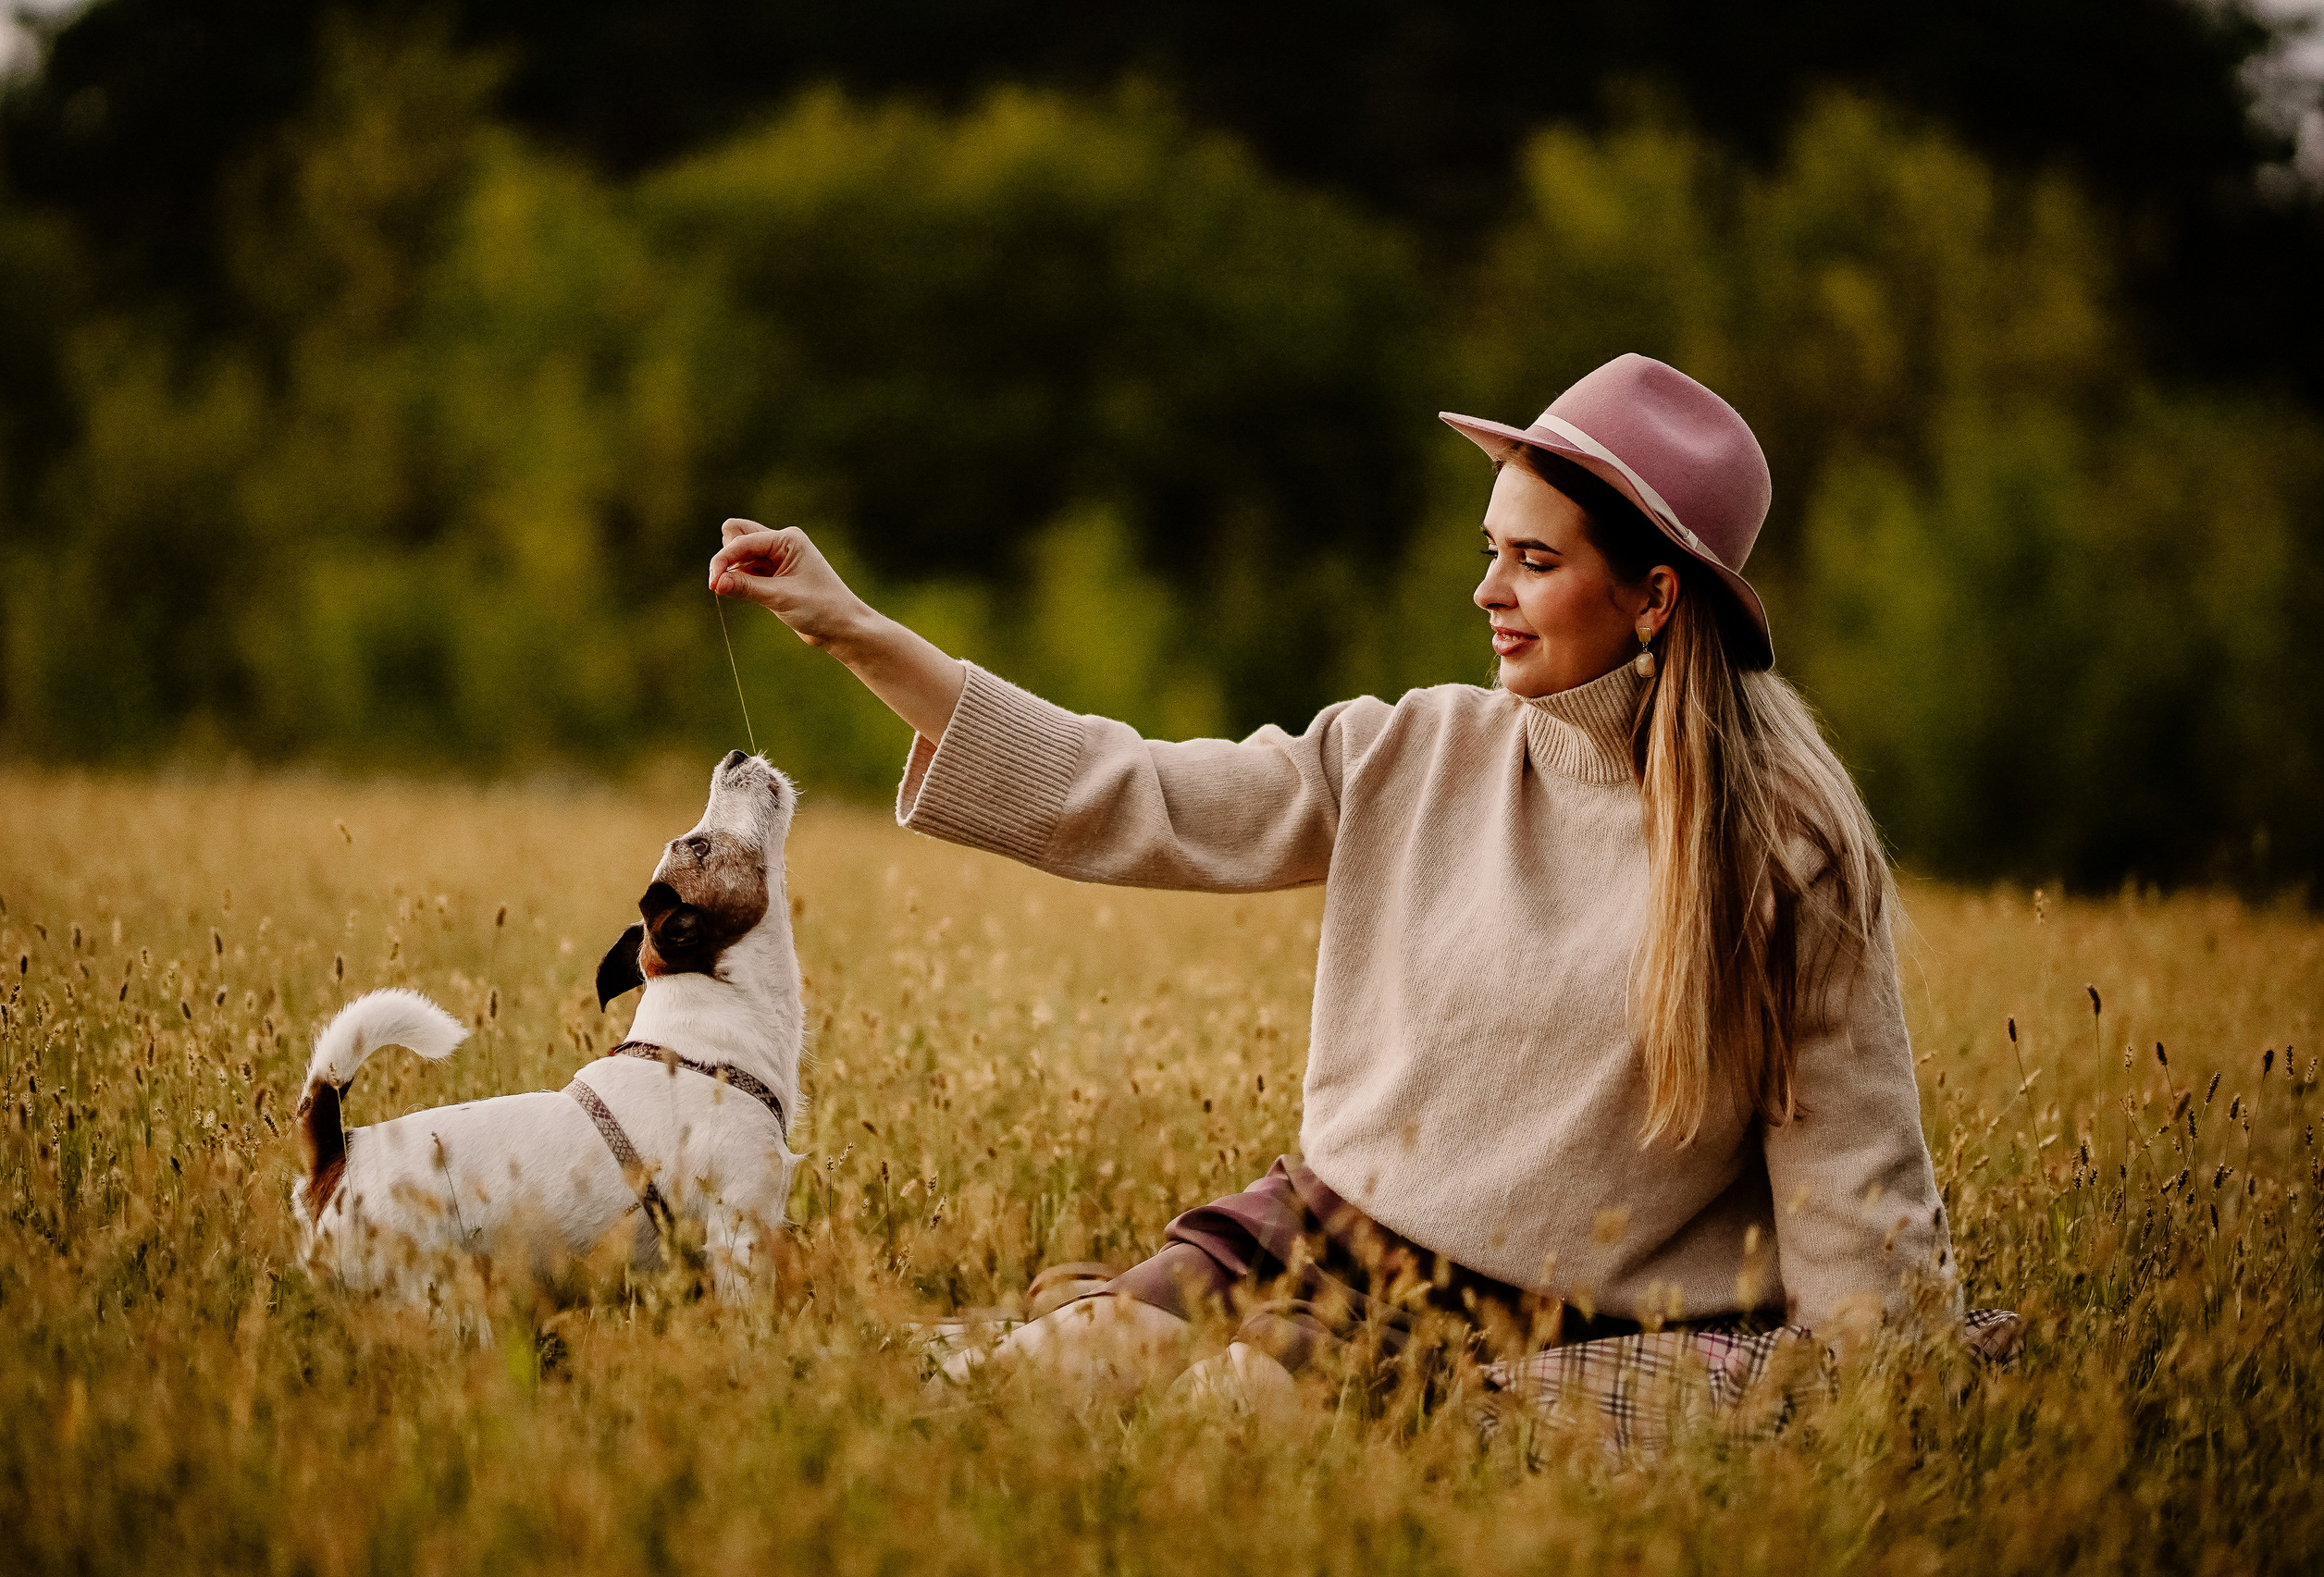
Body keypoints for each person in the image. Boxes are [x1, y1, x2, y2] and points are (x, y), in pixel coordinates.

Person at [708, 353, 1960, 1408]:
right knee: (1011, 1392)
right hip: (1315, 1235)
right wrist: (851, 628)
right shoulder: (1415, 746)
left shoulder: (1784, 853)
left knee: (1224, 1430)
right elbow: (1131, 790)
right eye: (1491, 550)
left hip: (1513, 1327)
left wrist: (1868, 1394)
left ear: (1653, 597)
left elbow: (1857, 1184)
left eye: (1532, 560)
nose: (1487, 590)